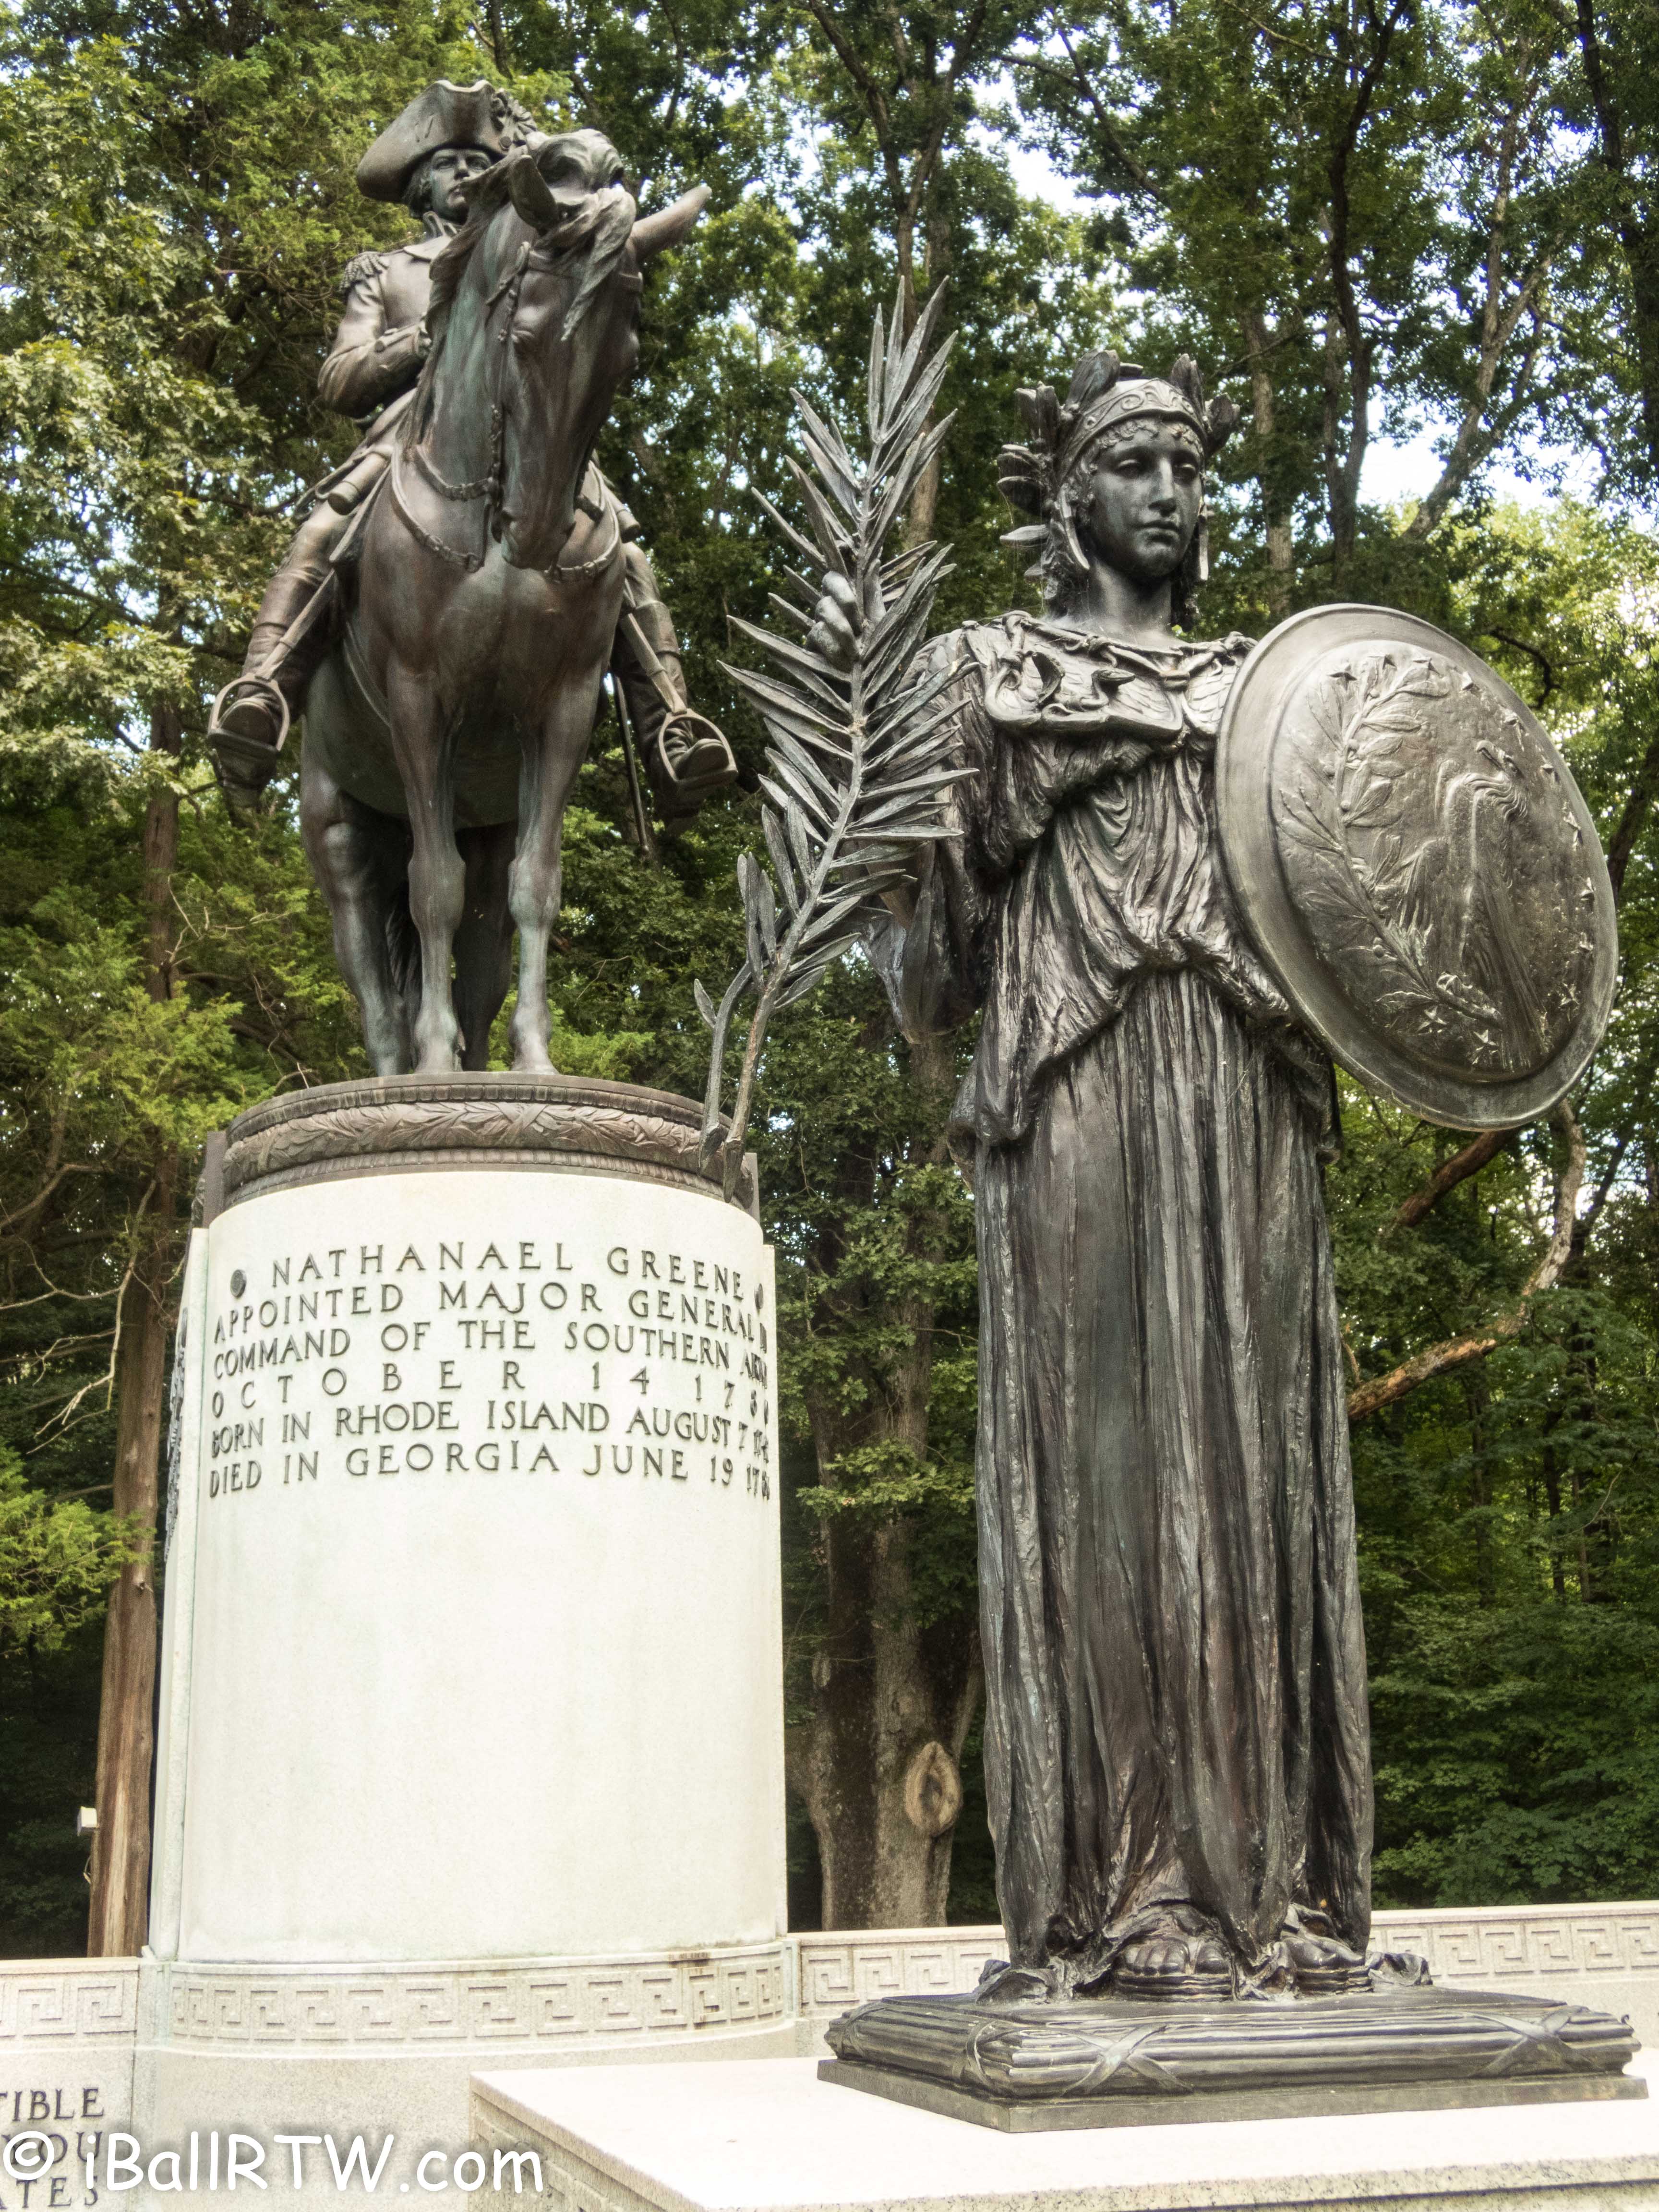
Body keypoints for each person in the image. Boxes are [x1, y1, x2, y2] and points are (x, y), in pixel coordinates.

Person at [834, 352, 1374, 2000]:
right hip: (1078, 1084)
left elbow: (1360, 918)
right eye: (1136, 462)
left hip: (1249, 1089)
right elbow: (918, 973)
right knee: (1112, 1467)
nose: (1170, 493)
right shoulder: (982, 674)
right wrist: (951, 835)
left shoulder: (1269, 691)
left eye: (1189, 467)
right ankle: (1130, 1893)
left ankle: (1281, 1899)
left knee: (1258, 1468)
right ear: (1067, 492)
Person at [208, 79, 734, 822]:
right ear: (419, 184)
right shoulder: (386, 271)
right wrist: (424, 339)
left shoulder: (534, 254)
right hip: (413, 435)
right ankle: (263, 692)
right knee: (325, 529)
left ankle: (670, 725)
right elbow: (340, 379)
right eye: (448, 162)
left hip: (528, 428)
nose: (464, 172)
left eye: (478, 162)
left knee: (622, 548)